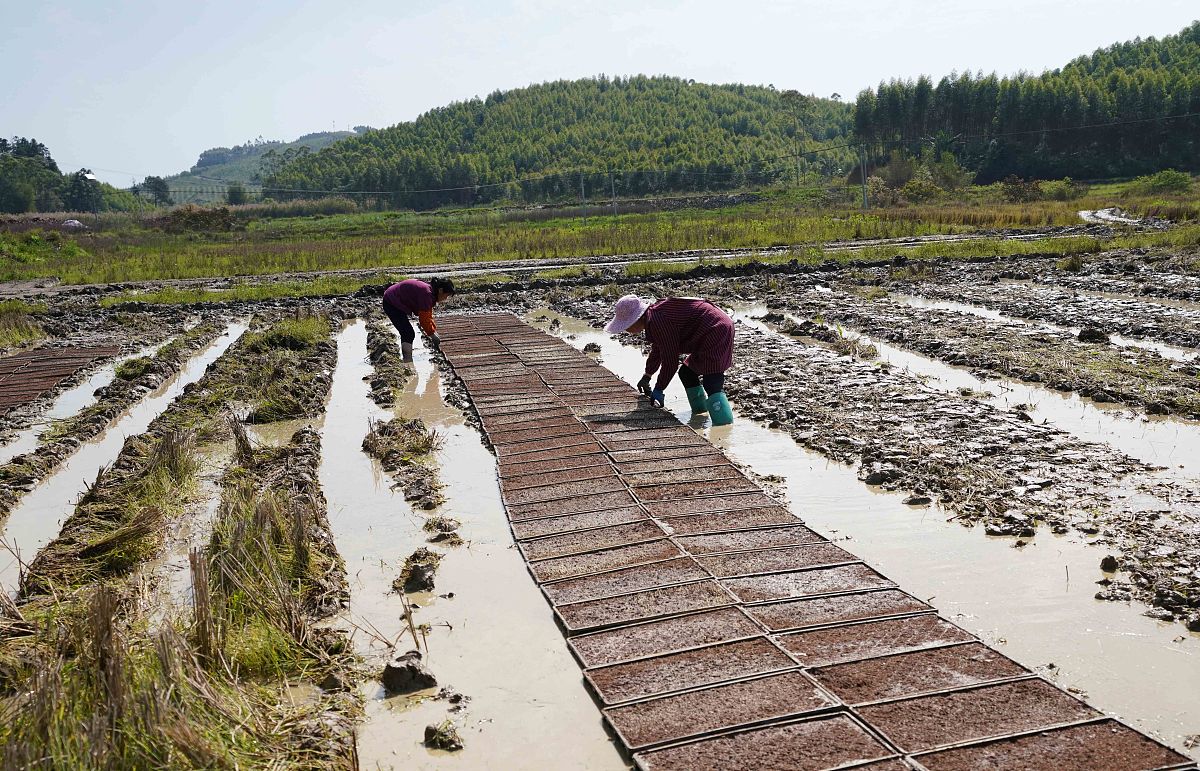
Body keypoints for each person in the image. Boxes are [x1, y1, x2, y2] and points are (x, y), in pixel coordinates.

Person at [605, 294, 735, 426]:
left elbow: (670, 362)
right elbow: (658, 349)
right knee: (686, 373)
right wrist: (647, 375)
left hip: (716, 329)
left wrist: (659, 388)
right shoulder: (653, 318)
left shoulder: (659, 321)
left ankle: (724, 425)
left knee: (711, 378)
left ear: (637, 319)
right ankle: (700, 413)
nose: (626, 329)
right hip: (705, 332)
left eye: (626, 325)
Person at [382, 277, 455, 361]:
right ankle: (408, 361)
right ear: (441, 290)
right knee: (408, 333)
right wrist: (432, 334)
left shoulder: (429, 292)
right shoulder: (427, 293)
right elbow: (423, 320)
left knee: (407, 332)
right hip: (391, 302)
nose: (446, 299)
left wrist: (433, 330)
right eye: (447, 295)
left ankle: (407, 359)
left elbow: (428, 315)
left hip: (394, 298)